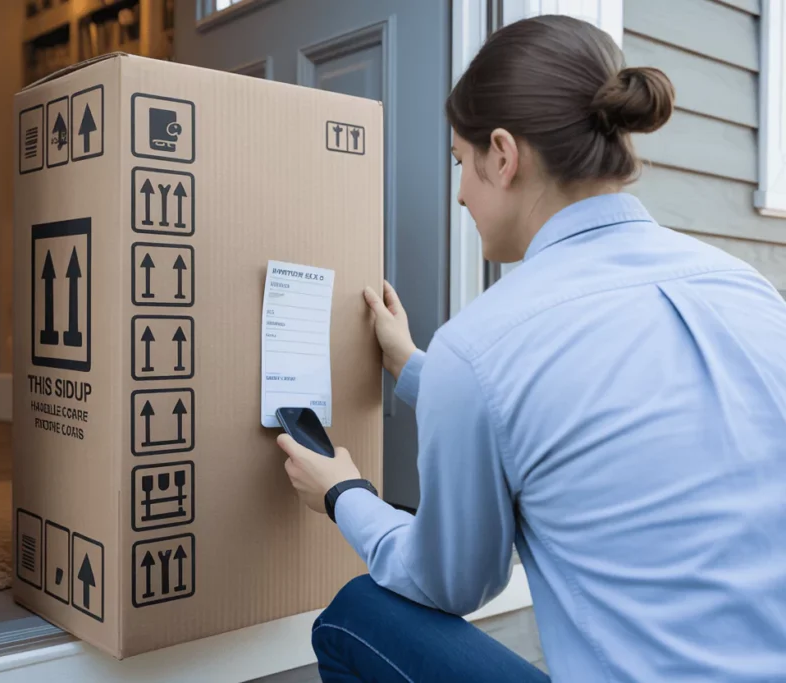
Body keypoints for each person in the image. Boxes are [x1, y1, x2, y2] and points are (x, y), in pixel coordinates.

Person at [275, 14, 786, 683]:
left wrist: (344, 492)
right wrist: (410, 364)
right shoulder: (749, 289)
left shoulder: (484, 344)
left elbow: (447, 584)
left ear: (504, 155)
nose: (459, 192)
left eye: (461, 163)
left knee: (354, 614)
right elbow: (589, 406)